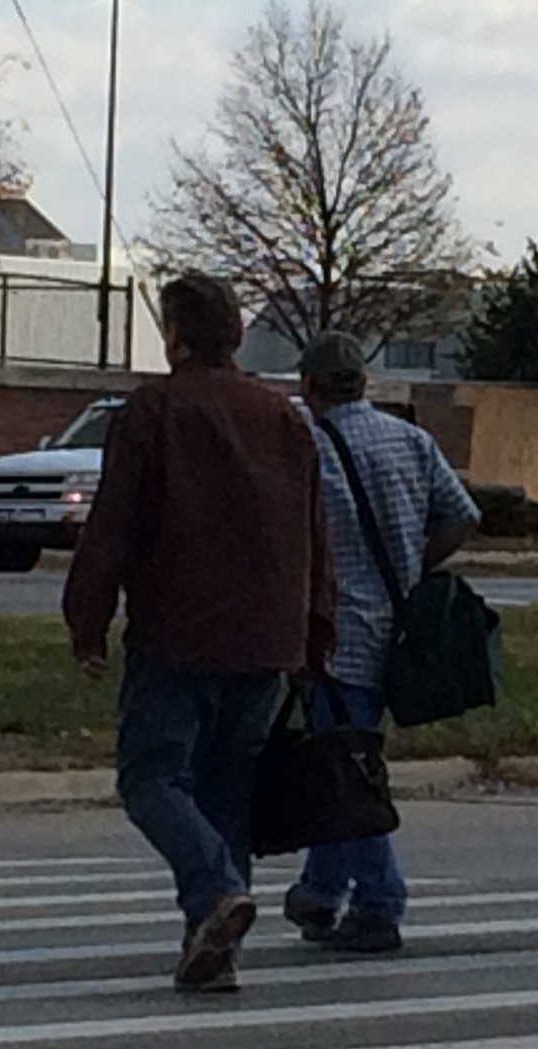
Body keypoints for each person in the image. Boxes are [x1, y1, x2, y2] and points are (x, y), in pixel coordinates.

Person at [64, 273, 336, 994]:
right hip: (268, 637)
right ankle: (212, 949)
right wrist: (316, 632)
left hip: (178, 629)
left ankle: (213, 891)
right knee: (227, 792)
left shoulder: (155, 410)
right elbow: (314, 534)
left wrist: (86, 619)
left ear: (175, 335)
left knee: (150, 776)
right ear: (238, 334)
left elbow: (114, 524)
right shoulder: (283, 417)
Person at [281, 331, 481, 954]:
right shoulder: (411, 439)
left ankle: (379, 902)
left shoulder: (308, 448)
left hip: (336, 633)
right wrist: (414, 567)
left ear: (309, 387)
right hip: (397, 630)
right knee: (341, 761)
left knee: (346, 770)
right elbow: (463, 514)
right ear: (364, 382)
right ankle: (319, 890)